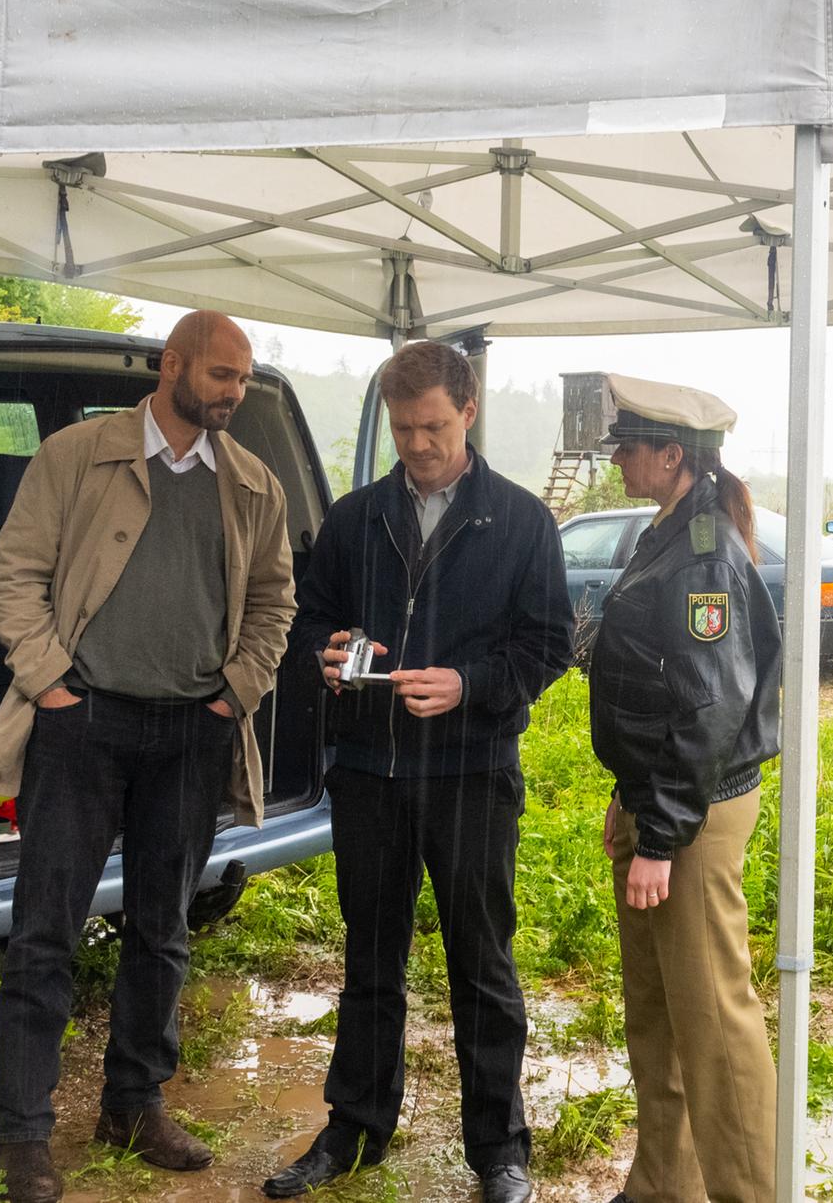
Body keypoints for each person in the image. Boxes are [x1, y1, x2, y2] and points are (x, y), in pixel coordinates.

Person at [0, 311, 297, 1203]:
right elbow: (14, 579)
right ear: (173, 365)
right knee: (46, 930)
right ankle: (25, 1132)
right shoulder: (80, 457)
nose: (236, 392)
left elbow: (275, 602)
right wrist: (55, 688)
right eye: (223, 375)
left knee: (163, 929)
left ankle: (133, 1102)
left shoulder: (252, 483)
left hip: (191, 733)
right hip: (83, 726)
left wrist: (234, 694)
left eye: (244, 378)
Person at [266, 341, 571, 1203]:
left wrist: (468, 685)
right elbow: (310, 617)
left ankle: (499, 1149)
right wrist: (326, 653)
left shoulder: (520, 522)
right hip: (369, 771)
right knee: (369, 960)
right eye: (403, 429)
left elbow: (547, 648)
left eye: (433, 426)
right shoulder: (356, 517)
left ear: (469, 412)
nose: (418, 445)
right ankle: (355, 1129)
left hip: (472, 775)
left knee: (483, 964)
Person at [586, 376, 781, 1203]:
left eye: (629, 446)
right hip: (661, 798)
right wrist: (631, 801)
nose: (619, 459)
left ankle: (749, 1193)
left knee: (713, 1023)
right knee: (658, 1013)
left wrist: (660, 833)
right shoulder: (665, 530)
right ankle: (663, 1184)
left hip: (694, 810)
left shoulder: (702, 550)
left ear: (671, 457)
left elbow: (709, 703)